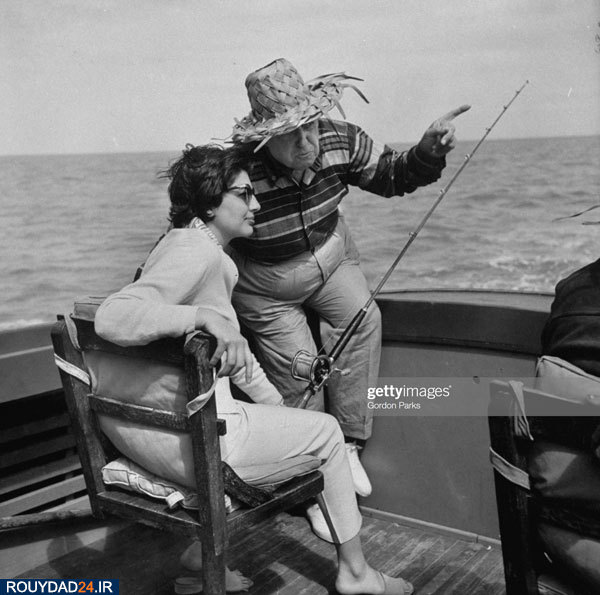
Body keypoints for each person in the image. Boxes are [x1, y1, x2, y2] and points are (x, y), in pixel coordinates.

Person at [94, 144, 414, 595]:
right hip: (191, 450)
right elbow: (112, 316)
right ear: (210, 204)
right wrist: (205, 317)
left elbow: (236, 358)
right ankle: (357, 575)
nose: (257, 204)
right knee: (327, 433)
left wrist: (277, 404)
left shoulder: (178, 244)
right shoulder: (199, 254)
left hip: (145, 436)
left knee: (294, 420)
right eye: (244, 194)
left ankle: (199, 556)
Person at [226, 58, 470, 496]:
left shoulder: (341, 139)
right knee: (301, 372)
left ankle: (350, 444)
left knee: (363, 319)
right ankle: (312, 476)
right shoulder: (238, 171)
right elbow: (198, 228)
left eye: (310, 126)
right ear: (264, 138)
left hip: (332, 257)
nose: (306, 142)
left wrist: (428, 150)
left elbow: (393, 175)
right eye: (290, 133)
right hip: (266, 286)